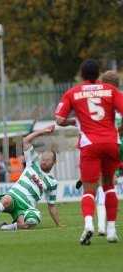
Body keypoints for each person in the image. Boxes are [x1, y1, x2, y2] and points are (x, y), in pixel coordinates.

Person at [55, 59, 123, 245]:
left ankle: (88, 225)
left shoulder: (73, 93)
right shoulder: (110, 90)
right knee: (109, 186)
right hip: (111, 142)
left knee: (88, 190)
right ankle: (111, 230)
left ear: (81, 74)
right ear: (98, 73)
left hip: (89, 145)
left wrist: (75, 120)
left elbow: (59, 119)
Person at [0, 125, 60, 230]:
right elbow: (26, 141)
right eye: (43, 158)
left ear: (54, 162)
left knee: (27, 224)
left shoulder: (52, 182)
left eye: (47, 160)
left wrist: (58, 224)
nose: (44, 161)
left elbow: (52, 205)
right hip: (14, 197)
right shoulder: (33, 162)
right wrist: (42, 131)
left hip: (27, 207)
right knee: (6, 200)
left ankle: (2, 228)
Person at [75, 70, 122, 236]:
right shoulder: (116, 96)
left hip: (96, 144)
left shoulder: (101, 98)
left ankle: (101, 226)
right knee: (109, 185)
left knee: (95, 186)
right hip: (115, 145)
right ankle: (108, 227)